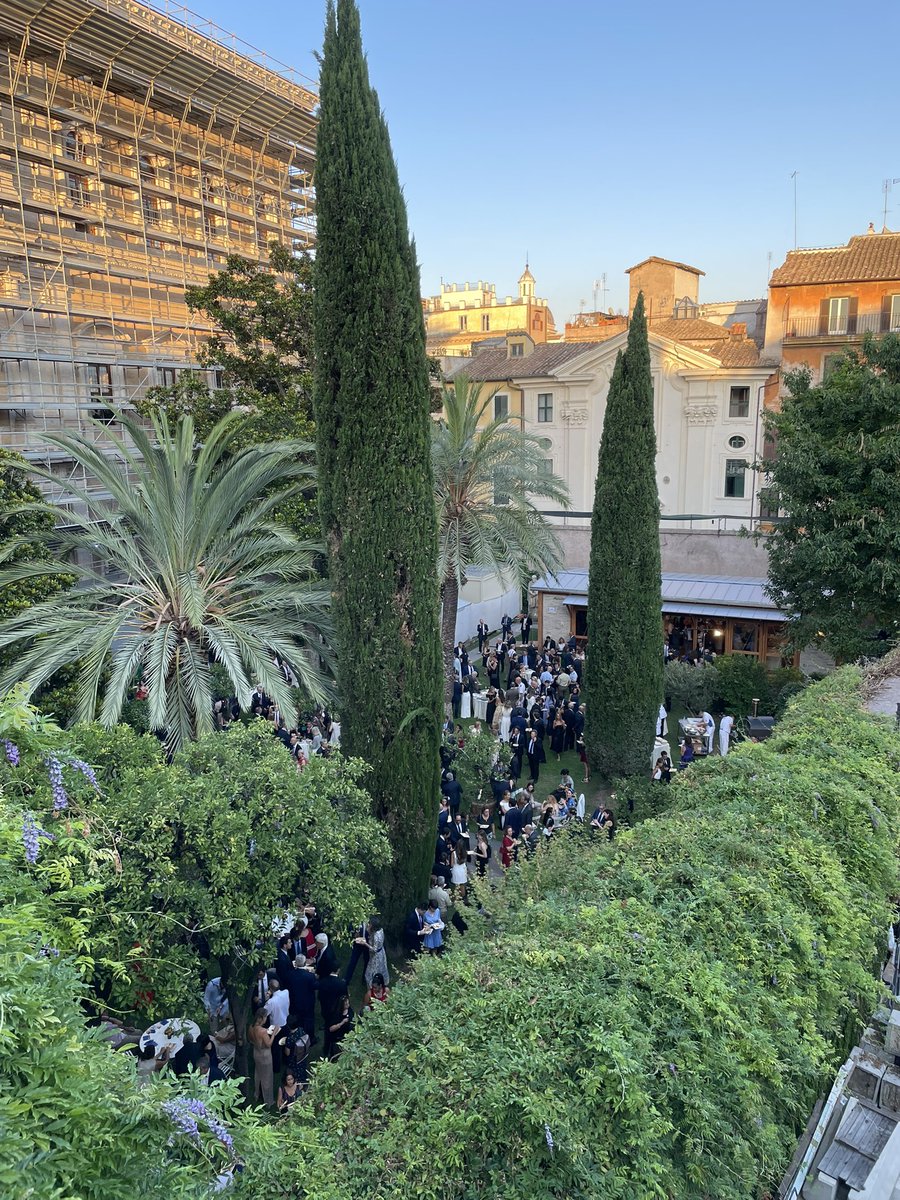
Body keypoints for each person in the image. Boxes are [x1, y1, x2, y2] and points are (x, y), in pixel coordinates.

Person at [248, 1012, 279, 1106]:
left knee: (258, 1074)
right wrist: (274, 1033)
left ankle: (257, 1094)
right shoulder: (262, 1031)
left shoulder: (250, 1027)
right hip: (265, 1055)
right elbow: (268, 1044)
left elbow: (250, 1040)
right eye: (265, 1017)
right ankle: (268, 1100)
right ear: (261, 1018)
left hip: (256, 1052)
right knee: (267, 1077)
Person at [359, 917, 389, 989]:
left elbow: (374, 949)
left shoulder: (376, 936)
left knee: (370, 973)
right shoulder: (380, 930)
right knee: (381, 969)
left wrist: (365, 943)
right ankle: (382, 983)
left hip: (376, 957)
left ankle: (371, 988)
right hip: (381, 953)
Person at [344, 919, 371, 986]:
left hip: (367, 943)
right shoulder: (356, 918)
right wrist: (354, 934)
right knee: (353, 960)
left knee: (367, 961)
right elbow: (350, 928)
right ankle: (347, 979)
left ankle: (364, 979)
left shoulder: (370, 919)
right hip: (358, 943)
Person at [327, 995, 354, 1060]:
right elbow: (331, 1029)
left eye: (348, 1003)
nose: (348, 1005)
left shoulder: (350, 1010)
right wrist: (341, 1023)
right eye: (346, 1004)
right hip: (337, 1039)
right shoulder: (336, 1014)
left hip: (347, 1038)